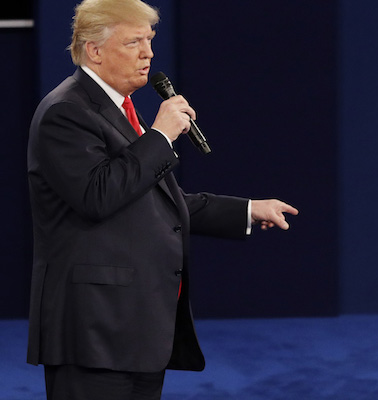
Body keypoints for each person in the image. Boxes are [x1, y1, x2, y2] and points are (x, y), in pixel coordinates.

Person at [26, 0, 299, 398]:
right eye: (134, 41)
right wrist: (160, 136)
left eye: (150, 40)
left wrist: (245, 210)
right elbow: (96, 196)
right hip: (93, 329)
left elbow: (150, 201)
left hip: (135, 328)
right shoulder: (65, 112)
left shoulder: (119, 110)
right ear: (94, 50)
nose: (148, 53)